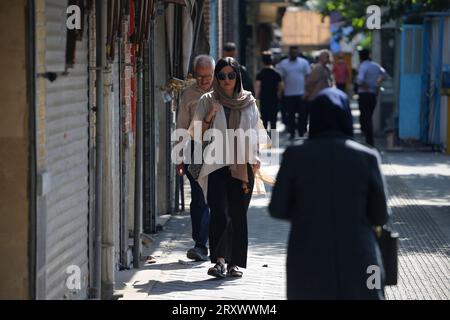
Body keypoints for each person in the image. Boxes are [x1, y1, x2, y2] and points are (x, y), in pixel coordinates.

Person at [269, 87, 389, 300]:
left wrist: (305, 213)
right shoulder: (367, 157)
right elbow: (381, 215)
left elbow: (277, 208)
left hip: (307, 253)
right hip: (360, 254)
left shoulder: (295, 155)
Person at [189, 57, 262, 278]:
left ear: (238, 76)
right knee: (219, 211)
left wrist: (256, 157)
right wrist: (211, 114)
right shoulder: (207, 100)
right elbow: (196, 133)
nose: (226, 80)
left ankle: (234, 264)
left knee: (237, 215)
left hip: (242, 165)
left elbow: (256, 131)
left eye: (231, 75)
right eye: (221, 76)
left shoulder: (248, 101)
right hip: (216, 164)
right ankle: (219, 262)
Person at [176, 55, 215, 261]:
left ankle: (218, 244)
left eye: (207, 77)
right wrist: (180, 157)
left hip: (220, 149)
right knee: (199, 198)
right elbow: (181, 126)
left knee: (217, 198)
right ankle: (200, 245)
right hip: (195, 149)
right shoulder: (188, 95)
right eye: (199, 77)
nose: (203, 81)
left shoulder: (223, 91)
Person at [276, 46, 311, 140]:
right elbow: (280, 79)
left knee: (302, 114)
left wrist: (307, 91)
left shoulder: (303, 63)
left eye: (296, 52)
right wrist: (280, 91)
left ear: (298, 53)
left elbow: (308, 77)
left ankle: (301, 131)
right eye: (292, 52)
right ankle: (291, 132)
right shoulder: (283, 64)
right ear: (289, 53)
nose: (294, 54)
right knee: (290, 115)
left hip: (301, 93)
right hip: (288, 94)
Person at [356, 48, 386, 147]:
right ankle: (369, 139)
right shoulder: (375, 65)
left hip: (364, 94)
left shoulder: (363, 66)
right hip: (373, 94)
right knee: (369, 116)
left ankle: (368, 139)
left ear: (360, 57)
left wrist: (366, 86)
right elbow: (383, 73)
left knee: (365, 117)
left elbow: (360, 80)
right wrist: (377, 84)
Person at [255, 51, 283, 131]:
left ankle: (264, 142)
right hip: (274, 100)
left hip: (264, 100)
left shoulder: (260, 74)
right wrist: (279, 96)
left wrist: (256, 99)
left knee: (264, 122)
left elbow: (257, 88)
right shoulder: (277, 74)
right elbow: (280, 87)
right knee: (273, 122)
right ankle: (274, 142)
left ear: (263, 61)